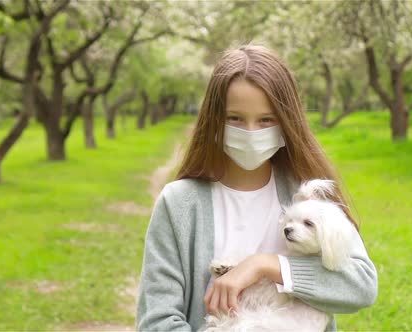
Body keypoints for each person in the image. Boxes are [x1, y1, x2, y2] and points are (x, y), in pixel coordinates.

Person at [135, 43, 378, 331]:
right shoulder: (179, 203)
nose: (250, 133)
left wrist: (264, 265)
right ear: (214, 120)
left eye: (266, 120)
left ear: (287, 123)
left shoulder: (306, 196)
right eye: (235, 118)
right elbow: (157, 320)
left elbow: (361, 286)